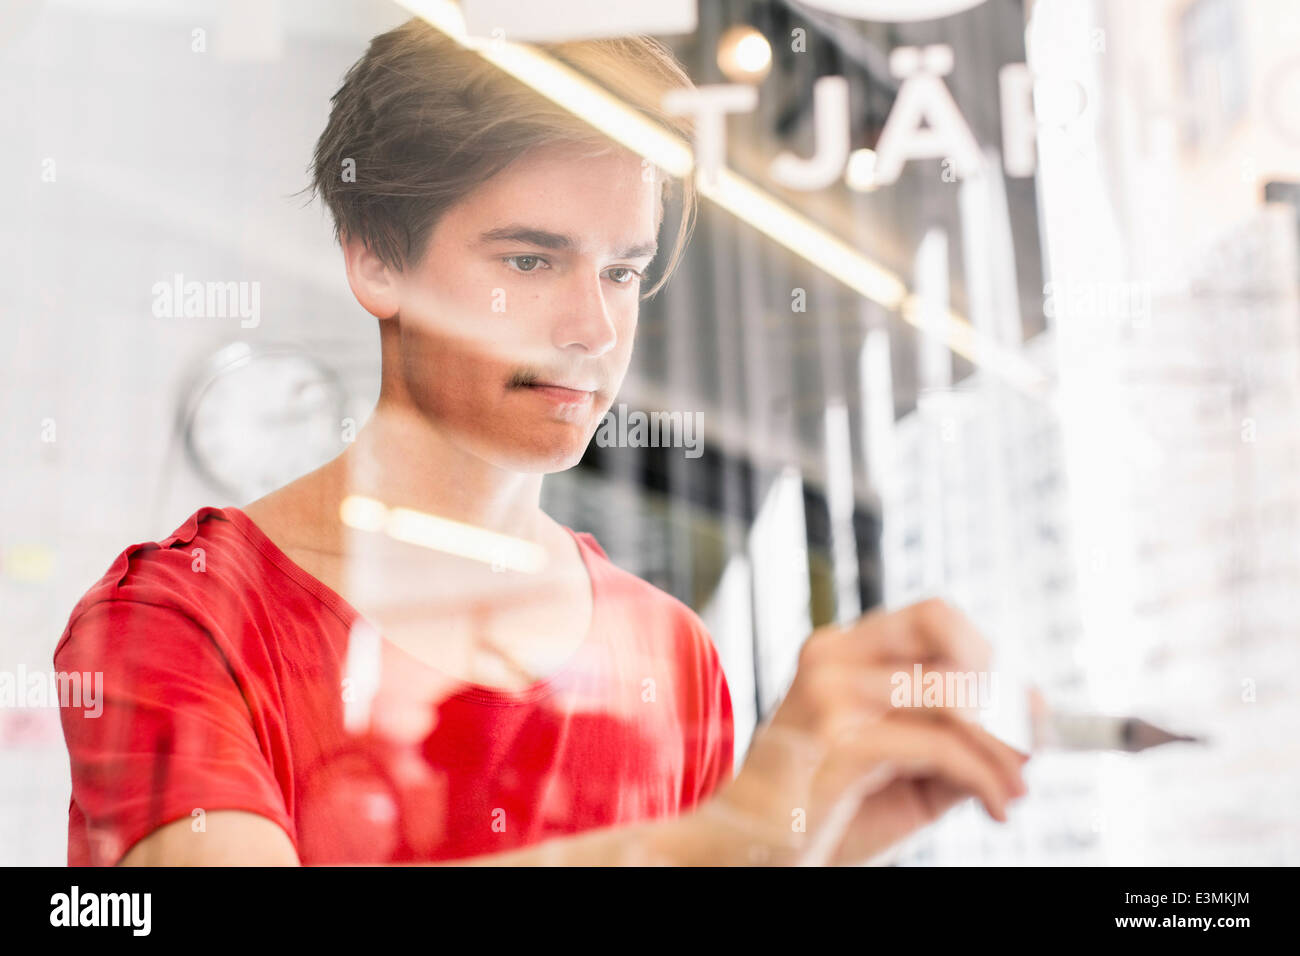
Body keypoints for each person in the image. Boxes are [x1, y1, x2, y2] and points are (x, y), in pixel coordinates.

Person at [54, 17, 1027, 867]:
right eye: (529, 260)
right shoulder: (183, 617)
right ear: (377, 259)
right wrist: (717, 844)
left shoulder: (670, 650)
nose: (593, 330)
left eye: (621, 271)